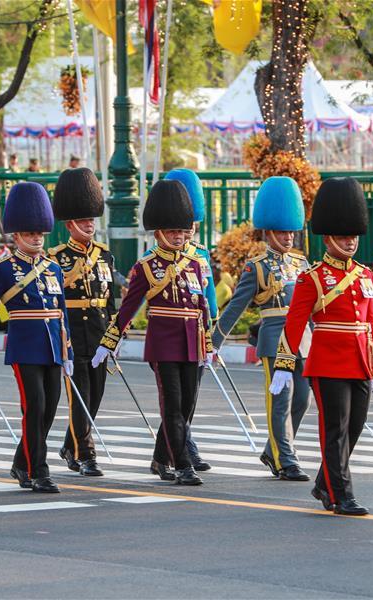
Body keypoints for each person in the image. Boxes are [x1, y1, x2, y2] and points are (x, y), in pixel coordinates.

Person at [92, 180, 214, 486]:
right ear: (158, 232)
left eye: (182, 230)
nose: (178, 236)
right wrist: (110, 341)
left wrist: (209, 345)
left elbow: (202, 307)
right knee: (172, 405)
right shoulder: (147, 266)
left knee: (187, 406)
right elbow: (129, 307)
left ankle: (161, 458)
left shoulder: (195, 263)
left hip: (192, 341)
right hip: (164, 342)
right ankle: (182, 465)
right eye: (172, 231)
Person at [271, 178, 373, 516]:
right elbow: (294, 323)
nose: (350, 241)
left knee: (354, 428)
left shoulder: (365, 275)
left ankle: (324, 483)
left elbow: (372, 323)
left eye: (353, 236)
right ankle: (342, 495)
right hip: (328, 361)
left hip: (360, 361)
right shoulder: (313, 277)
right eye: (344, 236)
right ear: (329, 238)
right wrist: (284, 363)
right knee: (336, 430)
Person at [0, 182, 73, 494]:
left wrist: (69, 352)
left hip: (52, 347)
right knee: (34, 407)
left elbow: (62, 312)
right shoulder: (4, 270)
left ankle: (22, 462)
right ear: (17, 235)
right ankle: (39, 471)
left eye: (39, 233)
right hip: (25, 348)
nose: (36, 238)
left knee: (49, 409)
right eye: (30, 233)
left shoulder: (53, 268)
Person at [212, 176, 311, 481]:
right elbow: (236, 306)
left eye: (290, 231)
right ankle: (286, 460)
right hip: (275, 338)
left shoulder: (301, 263)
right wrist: (214, 341)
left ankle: (273, 450)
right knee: (280, 400)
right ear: (269, 232)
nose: (288, 237)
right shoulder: (257, 266)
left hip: (303, 339)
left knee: (302, 399)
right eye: (282, 232)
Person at [48, 168, 114, 477]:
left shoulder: (105, 256)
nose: (89, 224)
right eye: (84, 220)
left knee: (95, 397)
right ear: (70, 224)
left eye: (91, 220)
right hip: (73, 335)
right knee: (80, 397)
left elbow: (110, 300)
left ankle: (68, 446)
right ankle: (86, 455)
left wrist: (114, 336)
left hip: (99, 335)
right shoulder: (56, 258)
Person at [158, 168, 219, 471]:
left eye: (192, 223)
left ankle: (166, 454)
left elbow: (209, 294)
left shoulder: (201, 255)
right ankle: (184, 448)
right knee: (175, 400)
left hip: (197, 332)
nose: (189, 229)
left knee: (188, 398)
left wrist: (213, 329)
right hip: (171, 333)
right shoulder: (159, 254)